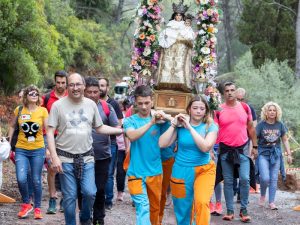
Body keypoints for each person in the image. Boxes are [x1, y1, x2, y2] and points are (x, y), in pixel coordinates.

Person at [46, 73, 123, 225]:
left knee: (90, 192)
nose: (75, 88)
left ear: (83, 86)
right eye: (71, 85)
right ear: (67, 87)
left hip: (87, 158)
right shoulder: (58, 106)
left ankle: (84, 218)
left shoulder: (91, 105)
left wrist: (120, 130)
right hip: (65, 159)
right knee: (69, 197)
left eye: (78, 84)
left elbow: (99, 127)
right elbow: (49, 131)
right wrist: (54, 157)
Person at [159, 95, 218, 225]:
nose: (198, 111)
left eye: (202, 108)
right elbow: (162, 144)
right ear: (189, 109)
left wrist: (190, 128)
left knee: (202, 202)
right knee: (182, 208)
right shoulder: (180, 126)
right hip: (181, 170)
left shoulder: (210, 126)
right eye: (195, 108)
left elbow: (205, 147)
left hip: (204, 169)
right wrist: (173, 125)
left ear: (206, 110)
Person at [123, 85, 169, 225]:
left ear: (152, 101)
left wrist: (166, 117)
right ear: (135, 102)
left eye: (147, 103)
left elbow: (172, 132)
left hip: (155, 172)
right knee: (143, 207)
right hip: (136, 173)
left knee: (155, 209)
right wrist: (151, 122)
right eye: (140, 103)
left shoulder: (160, 121)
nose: (143, 107)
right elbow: (132, 135)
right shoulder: (130, 120)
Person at [214, 82, 257, 223]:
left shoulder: (245, 107)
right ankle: (230, 211)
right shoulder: (218, 110)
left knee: (245, 179)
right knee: (227, 181)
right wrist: (210, 149)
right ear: (223, 93)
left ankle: (243, 210)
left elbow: (250, 128)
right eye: (227, 91)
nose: (230, 93)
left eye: (232, 90)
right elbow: (213, 130)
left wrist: (255, 147)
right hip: (225, 150)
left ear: (236, 91)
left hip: (242, 150)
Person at [8, 85, 48, 219]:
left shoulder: (43, 111)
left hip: (38, 149)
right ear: (26, 96)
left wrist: (48, 148)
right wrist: (8, 143)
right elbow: (12, 126)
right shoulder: (19, 110)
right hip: (21, 149)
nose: (34, 95)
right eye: (31, 93)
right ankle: (26, 204)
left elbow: (48, 130)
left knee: (36, 180)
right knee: (21, 178)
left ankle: (37, 207)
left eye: (36, 93)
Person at [84, 77, 119, 225]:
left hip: (102, 156)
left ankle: (99, 219)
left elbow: (116, 128)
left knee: (99, 189)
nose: (92, 95)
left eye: (95, 92)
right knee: (84, 190)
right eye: (89, 92)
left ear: (100, 92)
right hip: (82, 156)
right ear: (84, 92)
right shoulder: (78, 106)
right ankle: (85, 216)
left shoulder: (106, 108)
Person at [256, 102, 293, 210]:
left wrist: (289, 154)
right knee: (265, 178)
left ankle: (271, 202)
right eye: (270, 110)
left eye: (274, 110)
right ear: (266, 112)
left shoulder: (280, 125)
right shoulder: (261, 125)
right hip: (263, 153)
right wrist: (252, 151)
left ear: (277, 112)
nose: (272, 112)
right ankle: (263, 195)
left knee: (273, 179)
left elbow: (285, 140)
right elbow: (254, 139)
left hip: (276, 154)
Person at [42, 70, 68, 214]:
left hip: (66, 137)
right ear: (54, 81)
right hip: (50, 136)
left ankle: (65, 198)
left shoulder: (70, 96)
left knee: (65, 168)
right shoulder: (46, 98)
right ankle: (52, 198)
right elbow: (41, 119)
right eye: (58, 82)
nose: (60, 85)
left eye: (63, 82)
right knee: (52, 168)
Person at [156, 0, 194, 92]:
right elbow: (164, 39)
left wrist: (181, 40)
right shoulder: (169, 26)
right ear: (174, 15)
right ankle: (165, 84)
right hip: (169, 52)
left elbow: (190, 41)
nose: (178, 17)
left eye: (180, 15)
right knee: (167, 67)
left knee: (180, 68)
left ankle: (181, 84)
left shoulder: (187, 27)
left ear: (182, 16)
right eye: (177, 15)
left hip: (181, 52)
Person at [98, 77, 124, 210]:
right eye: (99, 85)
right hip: (94, 143)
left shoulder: (113, 104)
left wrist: (105, 128)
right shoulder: (91, 103)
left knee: (108, 173)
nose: (100, 88)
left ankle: (108, 200)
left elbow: (119, 124)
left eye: (103, 85)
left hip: (111, 143)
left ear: (108, 87)